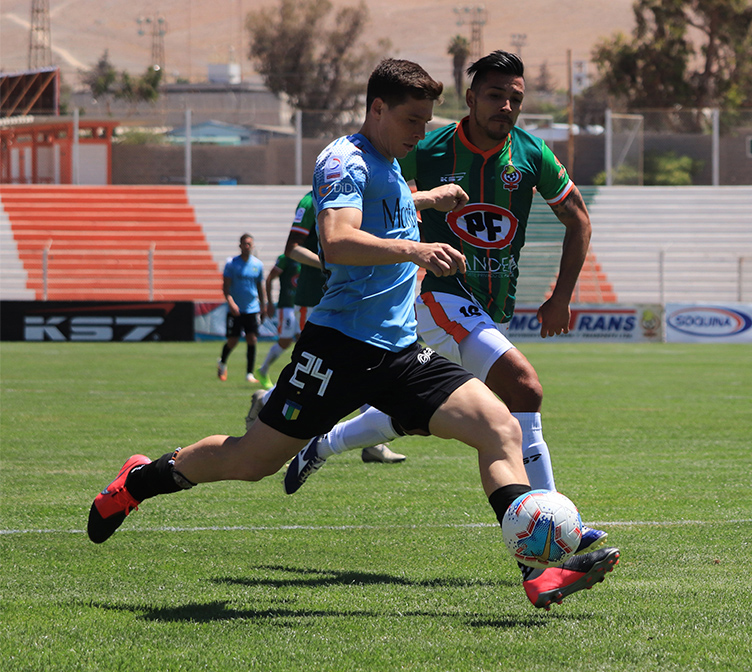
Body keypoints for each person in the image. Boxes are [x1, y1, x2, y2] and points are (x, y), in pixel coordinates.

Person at [87, 58, 619, 610]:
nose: (421, 133)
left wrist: (426, 202)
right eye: (413, 120)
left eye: (427, 120)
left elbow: (384, 208)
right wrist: (418, 249)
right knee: (251, 462)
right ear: (378, 108)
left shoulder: (390, 163)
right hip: (336, 349)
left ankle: (537, 570)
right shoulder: (342, 160)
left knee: (500, 429)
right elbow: (337, 240)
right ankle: (140, 481)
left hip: (400, 350)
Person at [282, 50, 608, 554]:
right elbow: (376, 197)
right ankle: (553, 521)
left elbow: (579, 217)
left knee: (411, 416)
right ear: (472, 99)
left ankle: (323, 443)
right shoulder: (424, 146)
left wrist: (561, 295)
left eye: (514, 99)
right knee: (523, 388)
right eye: (495, 96)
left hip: (485, 308)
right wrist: (419, 222)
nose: (505, 106)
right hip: (434, 298)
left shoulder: (532, 154)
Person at [248, 192, 407, 463]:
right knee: (319, 371)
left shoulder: (359, 199)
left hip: (354, 294)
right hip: (315, 297)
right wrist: (327, 262)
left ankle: (372, 443)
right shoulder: (312, 201)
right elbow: (292, 248)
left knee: (363, 363)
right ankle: (267, 400)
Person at [218, 233, 267, 383]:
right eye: (244, 244)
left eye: (249, 244)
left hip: (251, 308)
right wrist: (231, 303)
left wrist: (263, 306)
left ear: (252, 246)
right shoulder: (232, 264)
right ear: (240, 246)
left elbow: (260, 286)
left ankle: (249, 374)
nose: (247, 246)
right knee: (233, 340)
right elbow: (225, 287)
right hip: (236, 309)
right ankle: (222, 362)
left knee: (252, 339)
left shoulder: (257, 265)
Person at [252, 252, 301, 389]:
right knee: (285, 342)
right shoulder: (286, 258)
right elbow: (269, 279)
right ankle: (263, 370)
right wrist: (270, 303)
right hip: (287, 307)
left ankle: (298, 378)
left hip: (301, 306)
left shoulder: (312, 254)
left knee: (303, 340)